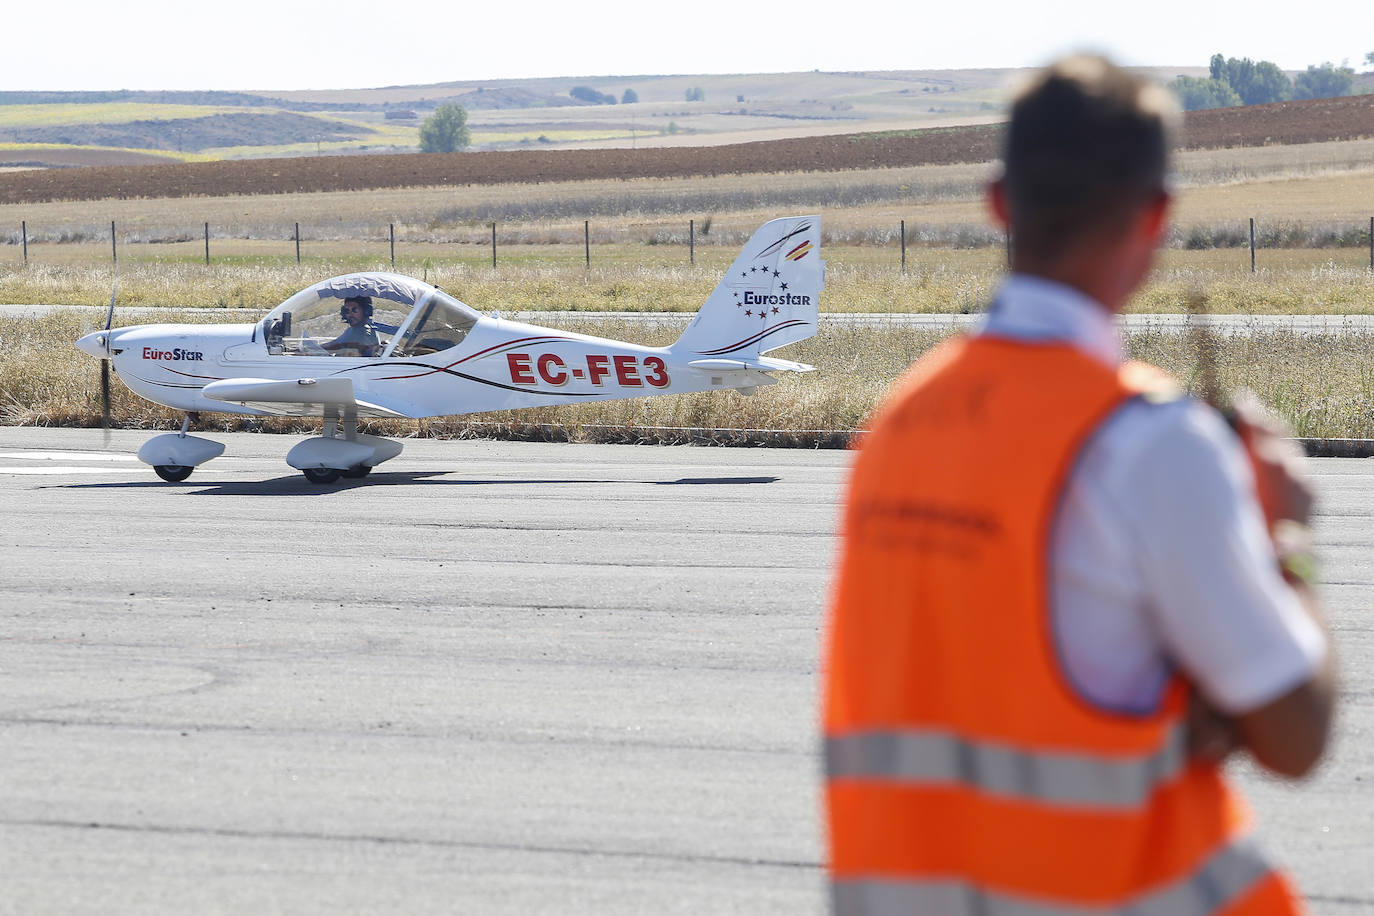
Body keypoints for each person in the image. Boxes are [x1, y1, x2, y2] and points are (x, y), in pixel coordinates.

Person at [823, 55, 1334, 915]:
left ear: (997, 202)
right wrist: (1287, 537)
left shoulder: (897, 426)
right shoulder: (1152, 444)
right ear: (1157, 216)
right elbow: (1298, 736)